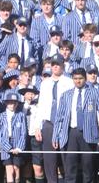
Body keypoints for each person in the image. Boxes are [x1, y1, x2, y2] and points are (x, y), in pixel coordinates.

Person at [53, 68, 99, 183]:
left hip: (88, 134)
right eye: (75, 79)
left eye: (80, 78)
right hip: (70, 134)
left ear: (85, 78)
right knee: (70, 168)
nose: (78, 81)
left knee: (88, 169)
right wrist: (55, 136)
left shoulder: (94, 92)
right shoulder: (66, 95)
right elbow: (59, 117)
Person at [34, 55, 74, 183]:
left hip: (64, 124)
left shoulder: (69, 82)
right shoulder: (45, 83)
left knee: (66, 158)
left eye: (58, 64)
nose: (55, 66)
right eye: (53, 64)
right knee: (49, 160)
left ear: (63, 65)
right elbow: (41, 106)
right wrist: (37, 126)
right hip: (48, 124)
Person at [0, 90, 27, 183]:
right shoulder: (1, 116)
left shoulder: (21, 115)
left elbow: (23, 133)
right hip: (5, 145)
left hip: (17, 145)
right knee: (9, 169)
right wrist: (7, 147)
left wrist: (19, 148)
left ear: (17, 104)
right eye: (10, 103)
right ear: (6, 103)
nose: (12, 105)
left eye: (14, 103)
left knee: (16, 169)